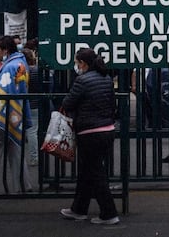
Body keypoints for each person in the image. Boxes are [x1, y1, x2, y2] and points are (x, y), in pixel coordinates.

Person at [60, 48, 120, 225]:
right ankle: (78, 209)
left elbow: (68, 102)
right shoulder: (106, 78)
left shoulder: (82, 80)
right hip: (106, 129)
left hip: (89, 132)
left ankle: (109, 213)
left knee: (95, 174)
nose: (76, 66)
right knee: (87, 172)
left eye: (77, 63)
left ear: (83, 63)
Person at [0, 35, 33, 193]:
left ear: (5, 50)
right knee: (15, 151)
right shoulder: (19, 63)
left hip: (6, 115)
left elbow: (6, 90)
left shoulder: (11, 66)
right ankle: (23, 186)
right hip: (14, 114)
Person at [21, 48, 40, 167]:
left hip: (26, 103)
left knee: (29, 132)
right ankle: (35, 157)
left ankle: (34, 157)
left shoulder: (23, 70)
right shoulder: (37, 70)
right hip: (36, 103)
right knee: (33, 131)